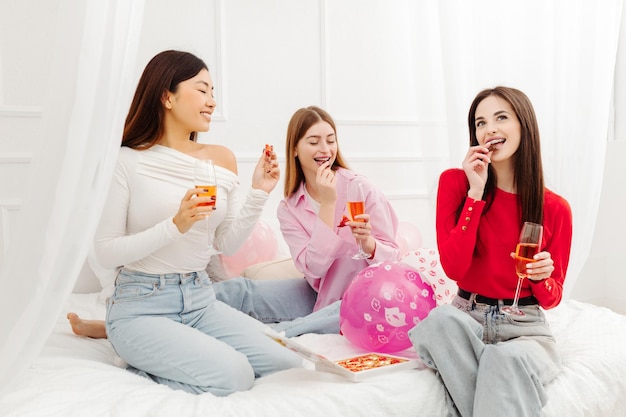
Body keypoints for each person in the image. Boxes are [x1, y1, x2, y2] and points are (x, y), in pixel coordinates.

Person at [69, 106, 401, 338]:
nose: (324, 148)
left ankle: (266, 337)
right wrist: (327, 207)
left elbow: (393, 259)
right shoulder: (290, 207)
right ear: (296, 150)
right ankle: (127, 324)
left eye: (330, 139)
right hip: (320, 291)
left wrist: (369, 245)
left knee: (302, 324)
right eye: (313, 141)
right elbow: (313, 271)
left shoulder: (360, 188)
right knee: (238, 290)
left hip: (362, 300)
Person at [88, 49, 301, 396]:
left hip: (200, 299)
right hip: (141, 306)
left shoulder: (221, 159)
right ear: (166, 96)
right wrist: (175, 224)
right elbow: (105, 251)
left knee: (287, 362)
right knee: (236, 376)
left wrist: (259, 192)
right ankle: (133, 350)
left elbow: (227, 244)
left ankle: (165, 351)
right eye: (202, 90)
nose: (212, 101)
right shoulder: (127, 161)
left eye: (213, 92)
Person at [408, 86, 573, 417]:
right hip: (466, 317)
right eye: (480, 123)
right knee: (438, 320)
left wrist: (541, 278)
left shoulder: (555, 208)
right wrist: (476, 192)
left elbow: (551, 298)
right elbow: (454, 268)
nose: (489, 129)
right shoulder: (456, 183)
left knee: (503, 358)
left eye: (501, 118)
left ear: (523, 126)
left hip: (525, 328)